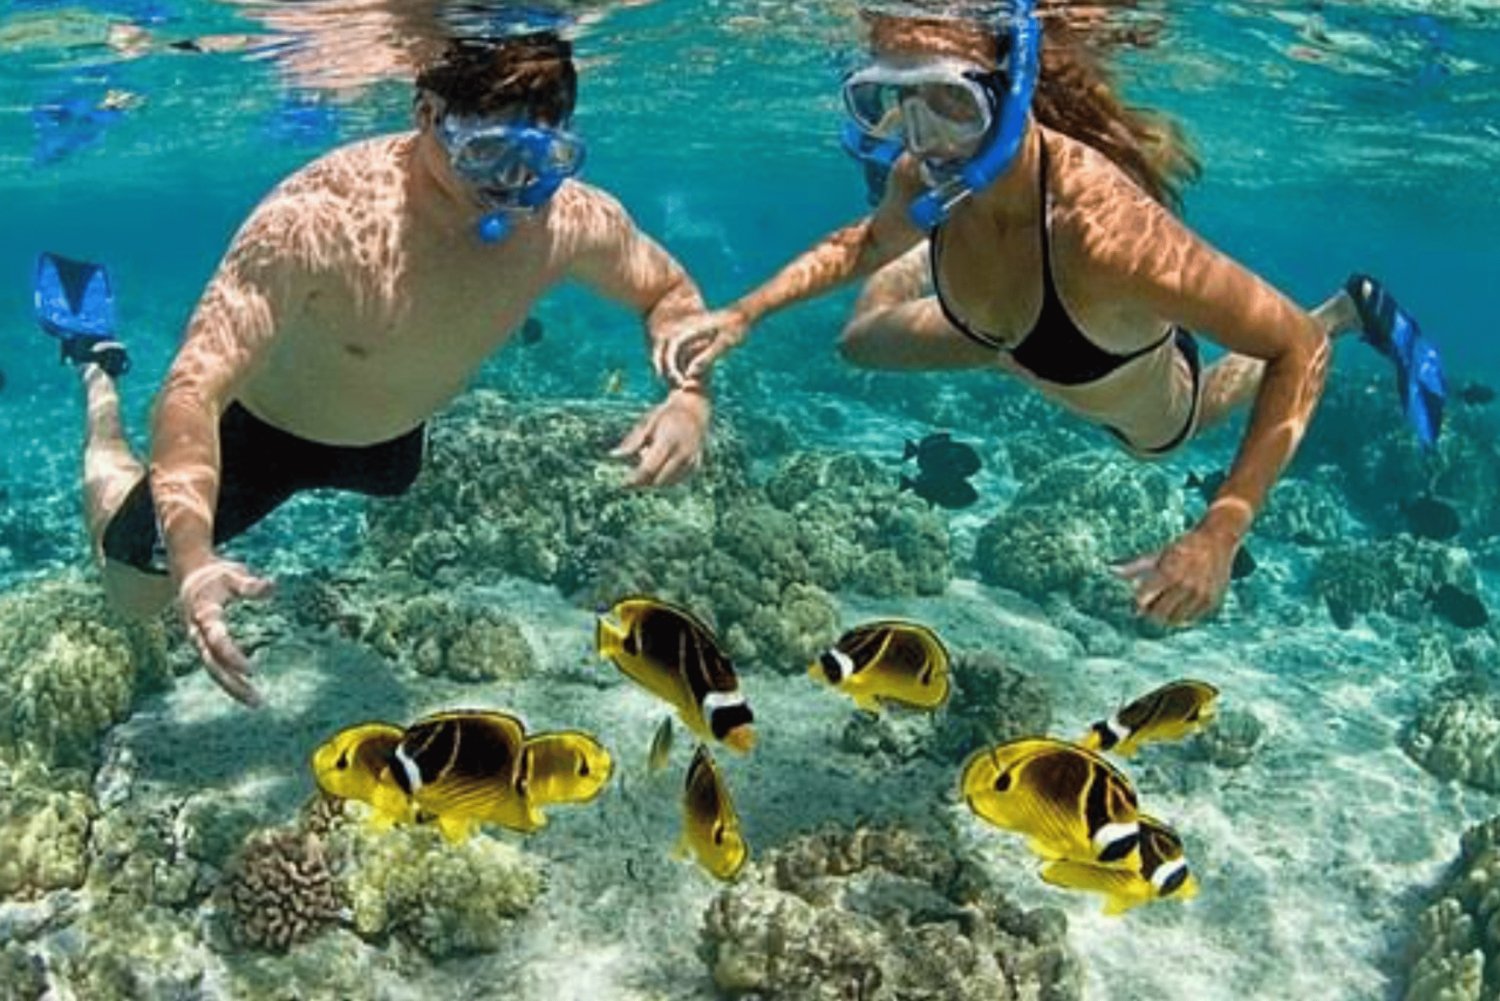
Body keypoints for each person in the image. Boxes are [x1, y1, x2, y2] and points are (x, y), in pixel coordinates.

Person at [656, 3, 1444, 628]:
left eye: (950, 104)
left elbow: (1292, 348)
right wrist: (747, 311)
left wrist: (1220, 529)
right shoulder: (919, 169)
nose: (925, 140)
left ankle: (1351, 308)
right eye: (891, 102)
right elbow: (864, 239)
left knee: (1174, 431)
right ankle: (956, 278)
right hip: (1000, 333)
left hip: (1106, 361)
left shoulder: (1104, 236)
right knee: (861, 340)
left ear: (1010, 92)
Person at [45, 29, 712, 706]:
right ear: (427, 114)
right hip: (262, 434)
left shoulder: (569, 220)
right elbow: (194, 389)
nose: (512, 186)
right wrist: (191, 564)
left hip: (394, 440)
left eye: (542, 159)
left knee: (390, 466)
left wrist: (689, 394)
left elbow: (669, 292)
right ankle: (95, 373)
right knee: (133, 592)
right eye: (487, 154)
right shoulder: (316, 219)